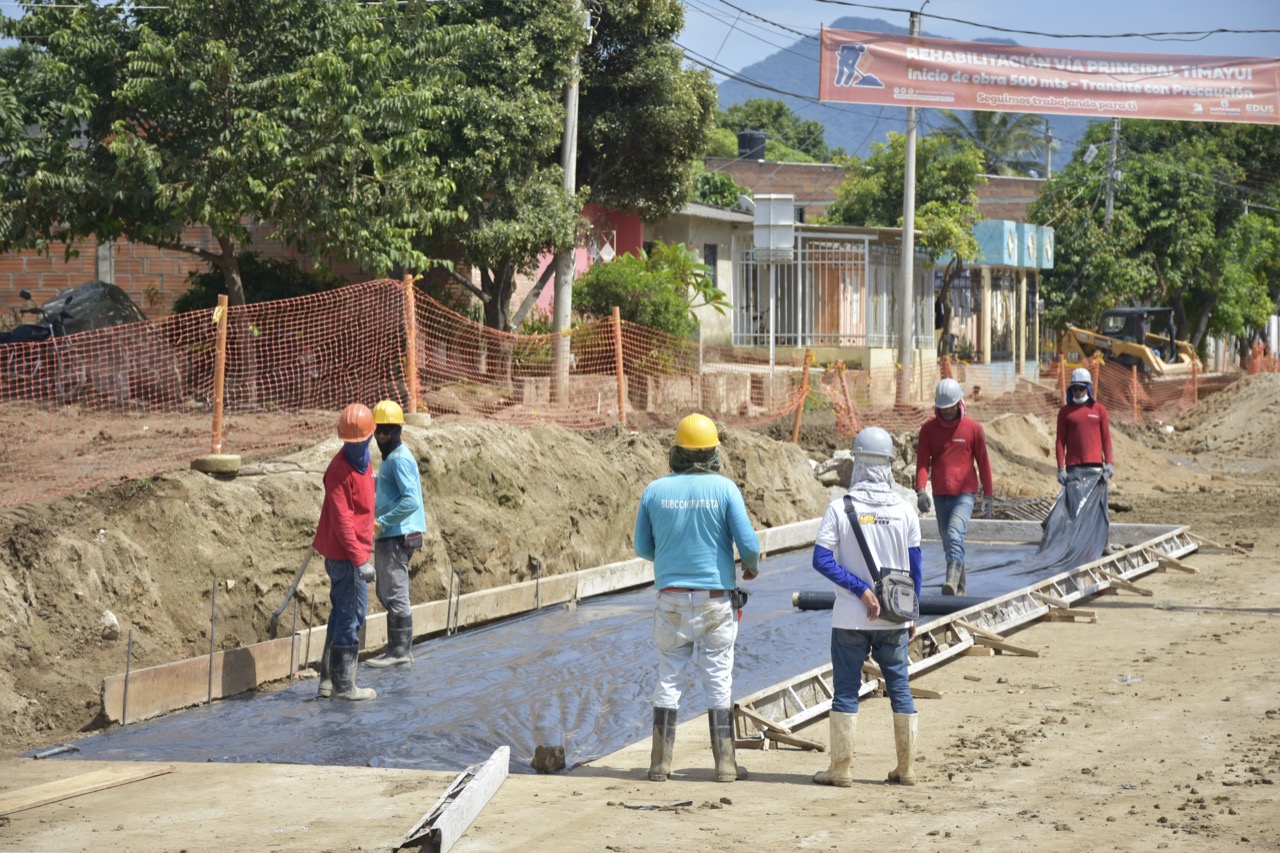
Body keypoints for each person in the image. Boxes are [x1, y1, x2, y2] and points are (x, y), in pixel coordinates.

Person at [634, 413, 761, 784]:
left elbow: (643, 547)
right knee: (718, 678)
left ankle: (659, 765)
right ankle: (725, 765)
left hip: (670, 599)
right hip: (715, 600)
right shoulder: (725, 490)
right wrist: (750, 566)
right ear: (712, 454)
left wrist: (674, 560)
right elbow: (749, 546)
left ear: (677, 452)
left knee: (668, 678)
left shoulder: (655, 491)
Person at [811, 426, 923, 788]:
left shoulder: (839, 509)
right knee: (900, 688)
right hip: (893, 618)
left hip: (850, 619)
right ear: (889, 465)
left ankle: (841, 769)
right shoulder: (905, 511)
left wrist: (858, 589)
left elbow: (821, 560)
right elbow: (915, 568)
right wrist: (911, 614)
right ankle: (906, 769)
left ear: (857, 464)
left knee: (845, 690)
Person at [313, 403, 377, 701]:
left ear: (369, 438)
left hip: (355, 552)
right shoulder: (338, 471)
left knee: (343, 613)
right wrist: (360, 559)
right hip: (346, 557)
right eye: (350, 443)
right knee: (353, 616)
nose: (356, 447)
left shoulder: (366, 462)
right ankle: (344, 686)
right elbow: (341, 521)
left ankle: (328, 680)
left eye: (360, 441)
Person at [915, 378, 994, 596]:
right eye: (943, 408)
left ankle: (950, 581)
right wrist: (921, 490)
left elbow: (983, 463)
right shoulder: (928, 430)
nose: (947, 412)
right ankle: (959, 590)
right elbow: (922, 462)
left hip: (964, 494)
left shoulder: (974, 430)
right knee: (949, 540)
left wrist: (988, 495)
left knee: (954, 534)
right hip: (940, 494)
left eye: (950, 407)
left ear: (959, 403)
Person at [366, 400, 426, 669]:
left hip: (395, 534)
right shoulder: (393, 458)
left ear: (398, 431)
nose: (381, 437)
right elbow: (392, 489)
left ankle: (399, 651)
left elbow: (411, 500)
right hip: (397, 532)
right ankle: (397, 649)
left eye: (386, 432)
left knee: (394, 592)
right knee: (388, 589)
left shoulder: (399, 458)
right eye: (377, 431)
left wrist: (383, 522)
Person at [1056, 367, 1114, 487]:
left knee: (1095, 505)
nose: (1077, 392)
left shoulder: (1099, 410)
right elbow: (1060, 441)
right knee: (1076, 504)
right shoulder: (1065, 412)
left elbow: (1106, 438)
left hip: (1096, 466)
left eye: (1081, 389)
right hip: (1074, 467)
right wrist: (1061, 469)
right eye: (1074, 389)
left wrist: (1109, 463)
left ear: (1088, 388)